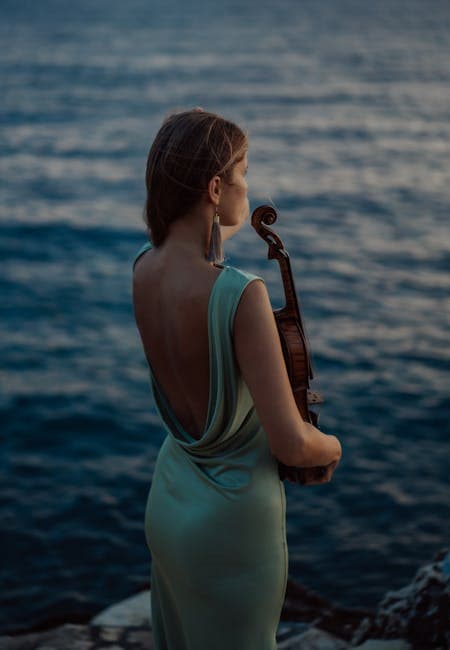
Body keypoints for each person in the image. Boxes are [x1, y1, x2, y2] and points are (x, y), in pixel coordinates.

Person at [132, 109, 342, 650]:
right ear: (215, 186)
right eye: (244, 174)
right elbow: (292, 443)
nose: (249, 189)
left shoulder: (143, 271)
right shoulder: (241, 295)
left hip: (171, 501)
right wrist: (332, 444)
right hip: (231, 527)